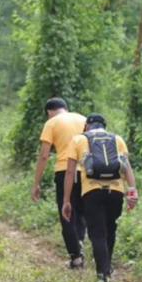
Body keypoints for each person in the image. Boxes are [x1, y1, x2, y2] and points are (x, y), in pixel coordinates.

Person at [62, 114, 138, 282]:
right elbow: (126, 167)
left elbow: (69, 172)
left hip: (92, 191)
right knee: (110, 228)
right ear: (104, 125)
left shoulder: (79, 139)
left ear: (87, 126)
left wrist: (66, 200)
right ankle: (107, 268)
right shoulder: (117, 139)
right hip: (116, 192)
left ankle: (103, 275)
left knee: (97, 232)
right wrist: (132, 190)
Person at [31, 97, 89, 269]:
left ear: (49, 112)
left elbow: (44, 155)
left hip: (65, 171)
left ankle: (76, 257)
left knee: (66, 212)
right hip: (87, 171)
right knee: (81, 211)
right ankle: (79, 242)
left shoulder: (52, 123)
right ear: (66, 107)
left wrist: (36, 183)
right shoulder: (83, 118)